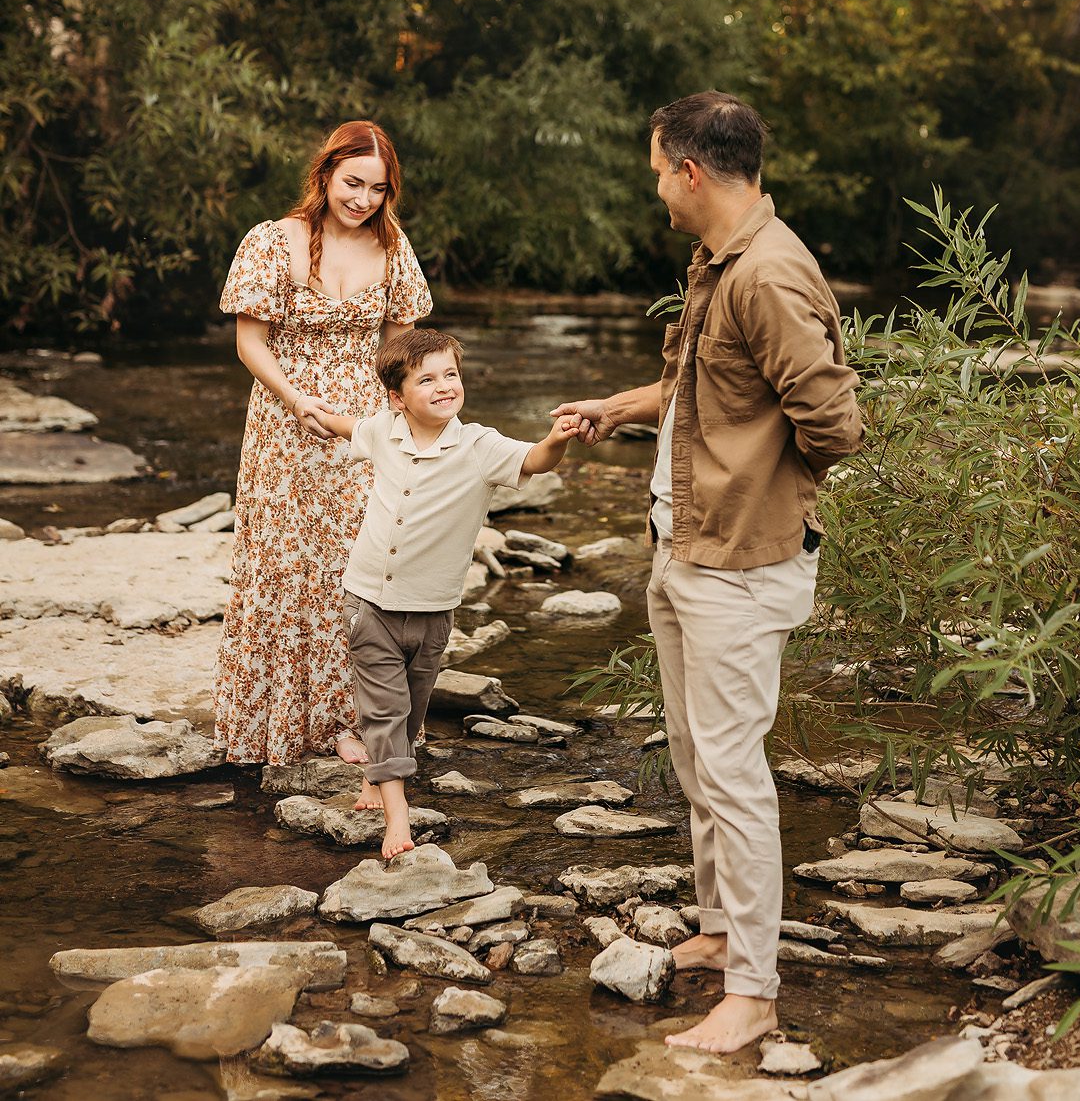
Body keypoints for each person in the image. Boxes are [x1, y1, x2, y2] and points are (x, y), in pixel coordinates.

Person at [553, 91, 861, 1056]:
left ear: (691, 171)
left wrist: (762, 488)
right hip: (685, 546)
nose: (655, 188)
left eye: (657, 171)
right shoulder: (719, 261)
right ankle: (724, 931)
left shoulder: (768, 273)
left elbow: (835, 424)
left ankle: (755, 995)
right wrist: (620, 407)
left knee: (734, 777)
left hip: (738, 563)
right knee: (697, 760)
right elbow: (700, 390)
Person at [315, 327, 579, 858]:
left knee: (412, 709)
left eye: (451, 375)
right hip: (368, 598)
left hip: (433, 607)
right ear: (397, 397)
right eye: (427, 379)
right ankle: (397, 817)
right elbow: (350, 428)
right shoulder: (384, 429)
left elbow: (534, 460)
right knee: (384, 708)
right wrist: (316, 413)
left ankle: (376, 774)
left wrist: (558, 438)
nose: (444, 386)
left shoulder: (480, 446)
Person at [215, 120, 432, 765]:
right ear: (326, 173)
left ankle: (349, 719)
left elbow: (402, 346)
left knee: (356, 568)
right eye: (352, 183)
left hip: (363, 428)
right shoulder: (272, 240)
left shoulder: (394, 248)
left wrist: (403, 420)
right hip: (284, 426)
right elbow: (249, 342)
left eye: (377, 189)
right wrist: (295, 399)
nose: (362, 199)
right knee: (284, 566)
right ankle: (273, 720)